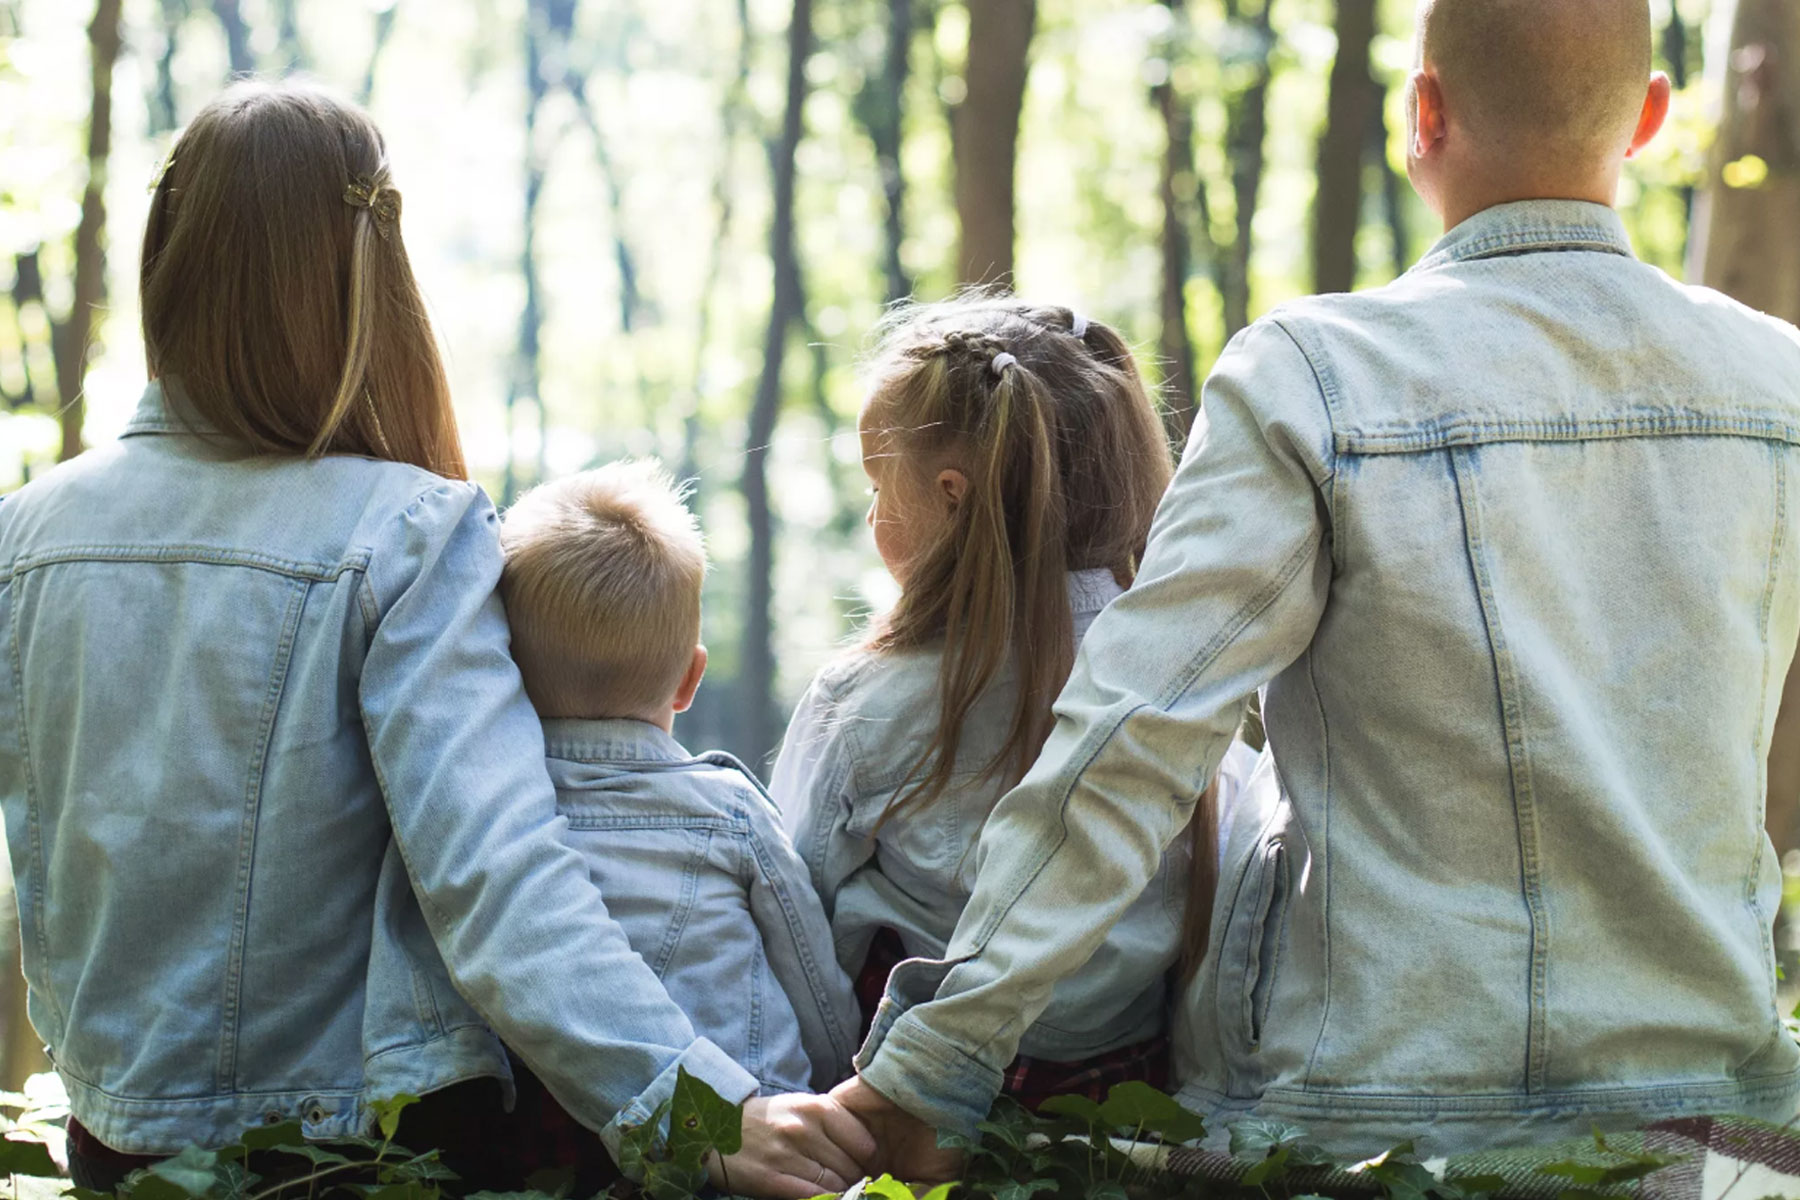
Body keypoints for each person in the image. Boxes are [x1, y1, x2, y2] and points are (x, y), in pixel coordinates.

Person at [831, 0, 1800, 1165]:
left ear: (1423, 112)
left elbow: (1137, 734)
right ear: (1649, 118)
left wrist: (937, 1063)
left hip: (1362, 1120)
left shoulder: (1317, 377)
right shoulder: (1779, 386)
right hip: (1708, 1126)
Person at [0, 81, 870, 1197]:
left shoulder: (23, 536)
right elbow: (497, 877)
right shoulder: (406, 531)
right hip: (347, 1160)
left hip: (112, 1154)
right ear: (369, 276)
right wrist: (698, 1111)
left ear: (166, 256)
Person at [771, 296, 1263, 1110]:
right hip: (1121, 1108)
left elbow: (793, 911)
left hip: (898, 1107)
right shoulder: (1189, 692)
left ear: (953, 496)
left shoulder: (866, 701)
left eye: (877, 486)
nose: (870, 516)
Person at [496, 460, 860, 1098]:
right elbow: (815, 988)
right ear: (691, 680)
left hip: (554, 1136)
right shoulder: (729, 813)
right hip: (749, 1124)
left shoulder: (484, 816)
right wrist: (836, 1083)